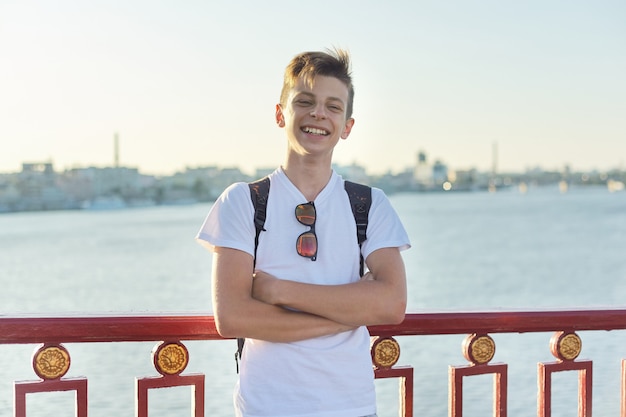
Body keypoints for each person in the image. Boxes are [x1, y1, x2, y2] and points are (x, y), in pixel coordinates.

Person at [196, 48, 410, 417]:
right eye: (305, 101)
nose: (318, 114)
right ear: (280, 114)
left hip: (352, 408)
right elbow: (231, 317)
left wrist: (279, 291)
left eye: (333, 106)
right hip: (266, 408)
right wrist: (348, 311)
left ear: (347, 126)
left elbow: (391, 305)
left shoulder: (369, 204)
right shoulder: (243, 202)